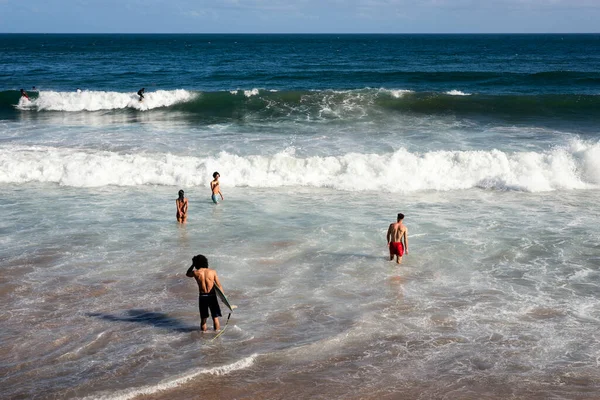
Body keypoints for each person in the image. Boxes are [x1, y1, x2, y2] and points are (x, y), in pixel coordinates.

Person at [186, 254, 223, 331]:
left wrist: (193, 264)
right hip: (212, 296)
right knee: (215, 318)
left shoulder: (196, 273)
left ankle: (203, 337)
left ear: (196, 263)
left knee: (203, 319)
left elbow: (187, 274)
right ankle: (217, 336)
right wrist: (223, 297)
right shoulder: (213, 272)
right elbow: (219, 285)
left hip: (203, 297)